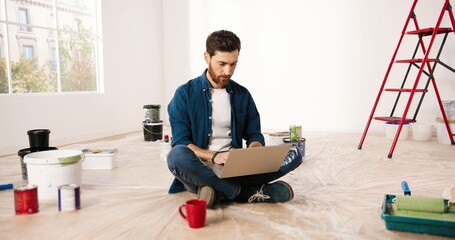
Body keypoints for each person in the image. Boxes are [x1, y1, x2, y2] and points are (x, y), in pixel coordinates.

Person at [166, 30, 302, 208]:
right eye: (222, 64)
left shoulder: (242, 94)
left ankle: (215, 191)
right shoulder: (184, 94)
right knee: (176, 155)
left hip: (237, 169)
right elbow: (181, 142)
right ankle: (245, 193)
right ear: (207, 57)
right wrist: (215, 156)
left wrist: (253, 151)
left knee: (295, 152)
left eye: (233, 64)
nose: (228, 71)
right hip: (200, 169)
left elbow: (254, 134)